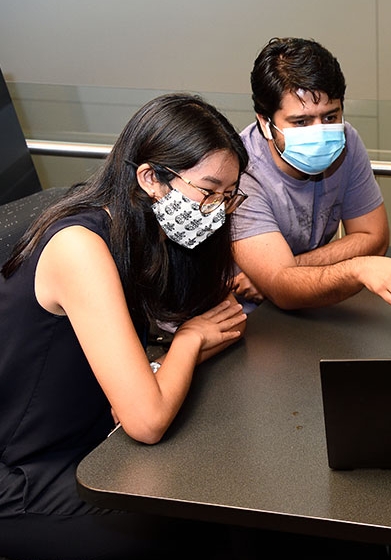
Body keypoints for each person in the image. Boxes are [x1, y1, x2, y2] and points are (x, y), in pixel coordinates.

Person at [0, 93, 250, 558]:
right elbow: (146, 421)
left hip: (90, 440)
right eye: (208, 191)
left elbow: (219, 316)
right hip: (25, 473)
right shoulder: (79, 246)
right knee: (195, 520)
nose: (217, 209)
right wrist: (190, 341)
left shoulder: (138, 228)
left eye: (228, 195)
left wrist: (180, 349)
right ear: (150, 178)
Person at [230, 37, 391, 311]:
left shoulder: (345, 140)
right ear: (265, 122)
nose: (320, 132)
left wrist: (287, 271)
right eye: (301, 122)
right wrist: (356, 267)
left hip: (318, 303)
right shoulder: (240, 171)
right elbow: (284, 291)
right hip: (246, 316)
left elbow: (374, 237)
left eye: (330, 117)